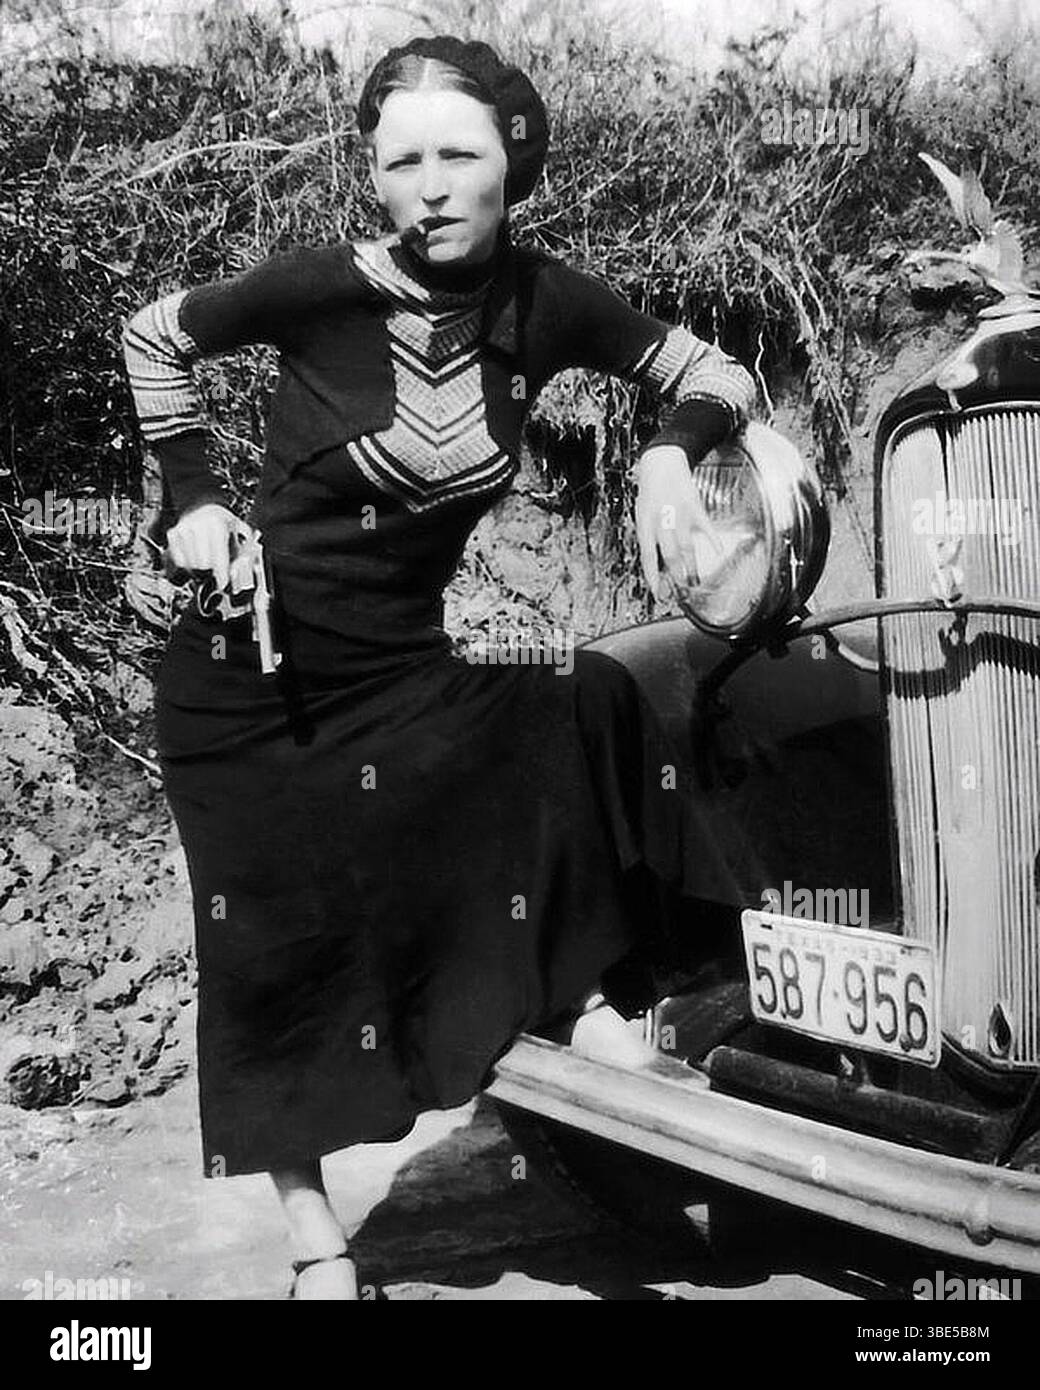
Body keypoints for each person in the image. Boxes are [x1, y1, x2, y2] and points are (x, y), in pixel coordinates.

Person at [121, 34, 756, 1300]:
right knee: (279, 953)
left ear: (510, 160)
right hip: (252, 684)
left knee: (582, 698)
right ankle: (317, 1244)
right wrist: (193, 497)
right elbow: (151, 334)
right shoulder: (318, 286)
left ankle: (569, 993)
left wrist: (670, 449)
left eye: (457, 155)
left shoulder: (544, 302)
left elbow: (714, 370)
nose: (429, 186)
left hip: (402, 671)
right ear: (372, 176)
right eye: (398, 160)